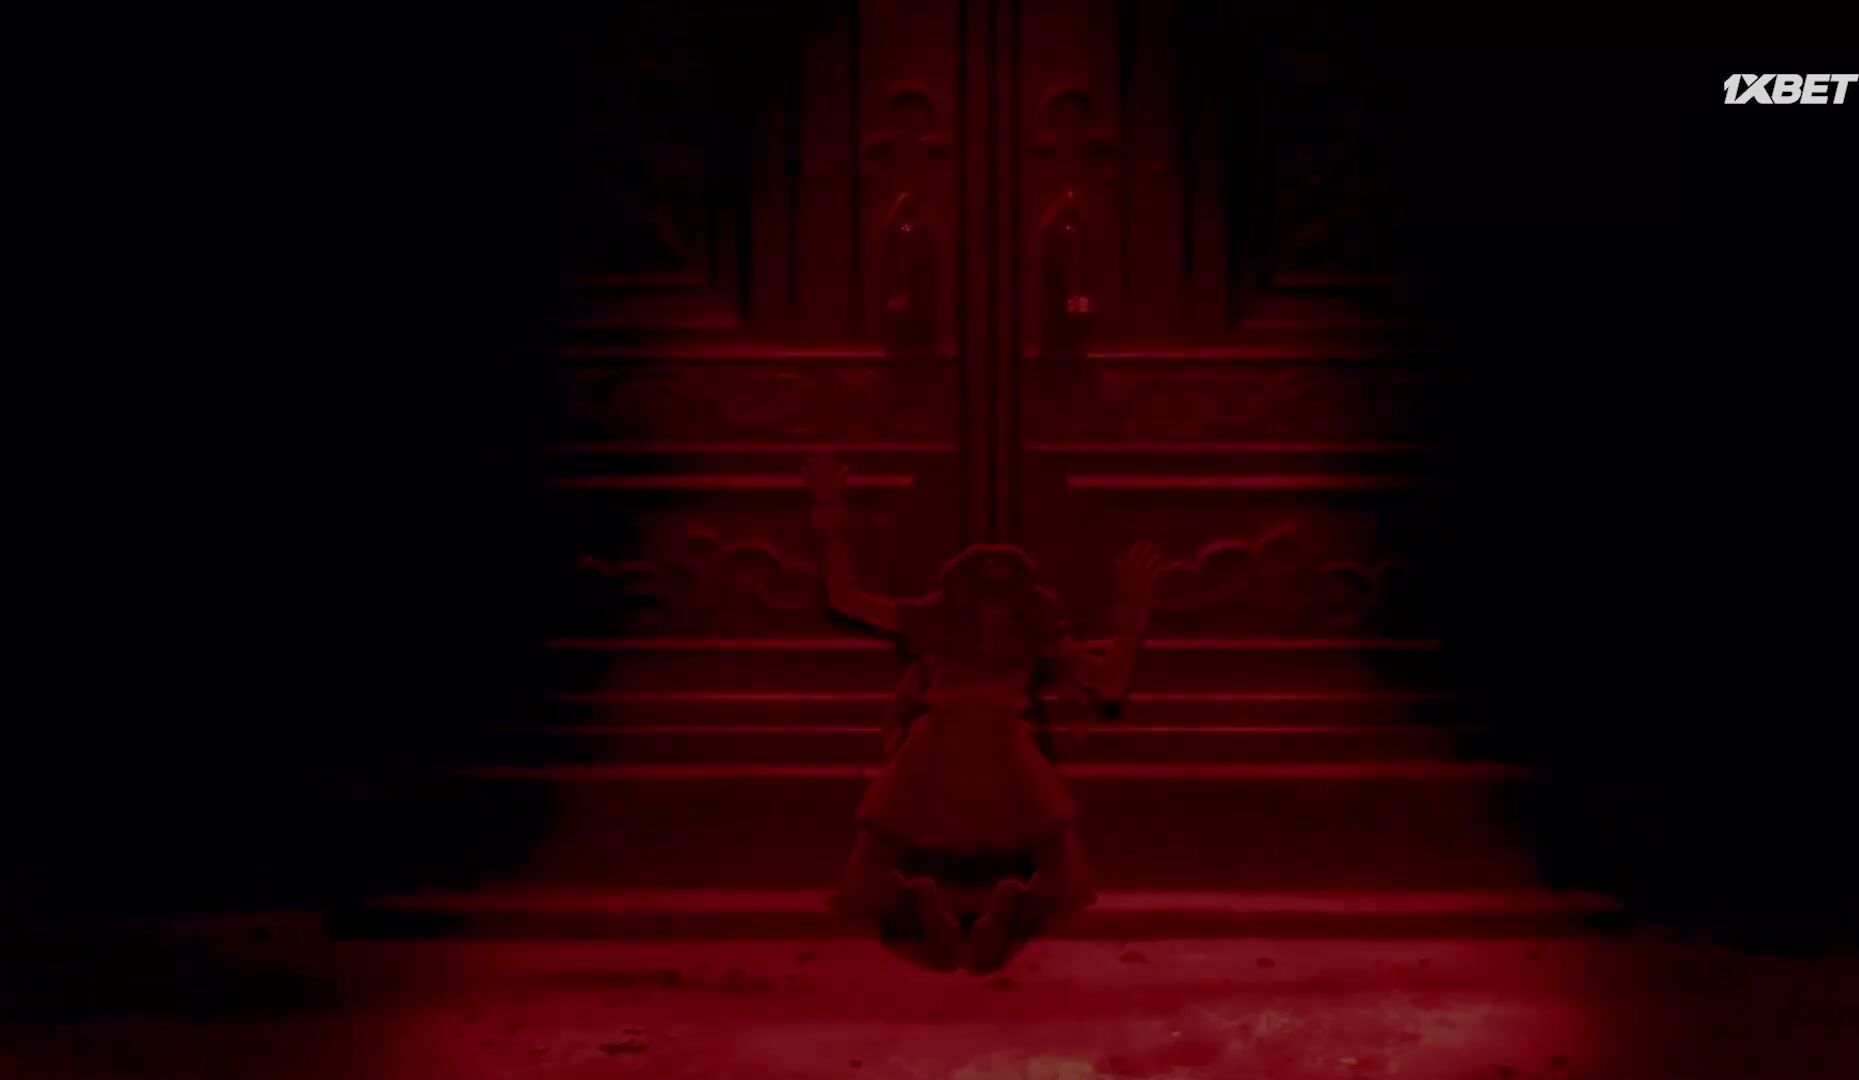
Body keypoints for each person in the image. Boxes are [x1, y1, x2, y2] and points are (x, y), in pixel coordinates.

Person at [806, 451, 1161, 973]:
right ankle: (1001, 903)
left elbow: (846, 599)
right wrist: (1131, 618)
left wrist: (830, 518)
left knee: (868, 874)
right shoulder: (1025, 628)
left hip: (937, 745)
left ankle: (930, 902)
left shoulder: (937, 621)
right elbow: (1108, 680)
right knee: (1064, 877)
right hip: (1003, 747)